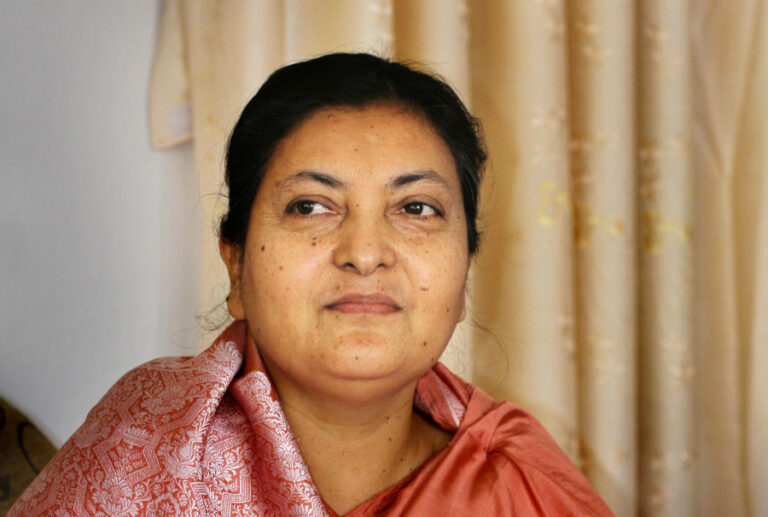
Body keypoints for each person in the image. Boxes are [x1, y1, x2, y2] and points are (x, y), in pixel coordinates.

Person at [9, 53, 612, 516]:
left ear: (463, 273)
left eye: (416, 208)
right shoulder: (141, 453)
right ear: (236, 269)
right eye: (309, 207)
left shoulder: (520, 489)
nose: (365, 254)